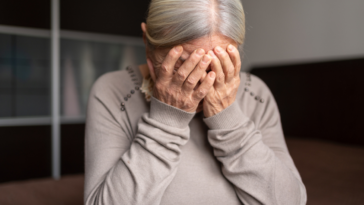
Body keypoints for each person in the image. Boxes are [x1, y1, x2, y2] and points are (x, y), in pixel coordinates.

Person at [84, 0, 307, 204]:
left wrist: (228, 119)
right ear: (147, 45)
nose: (200, 82)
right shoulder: (112, 92)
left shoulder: (256, 93)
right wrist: (167, 120)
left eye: (217, 64)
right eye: (184, 65)